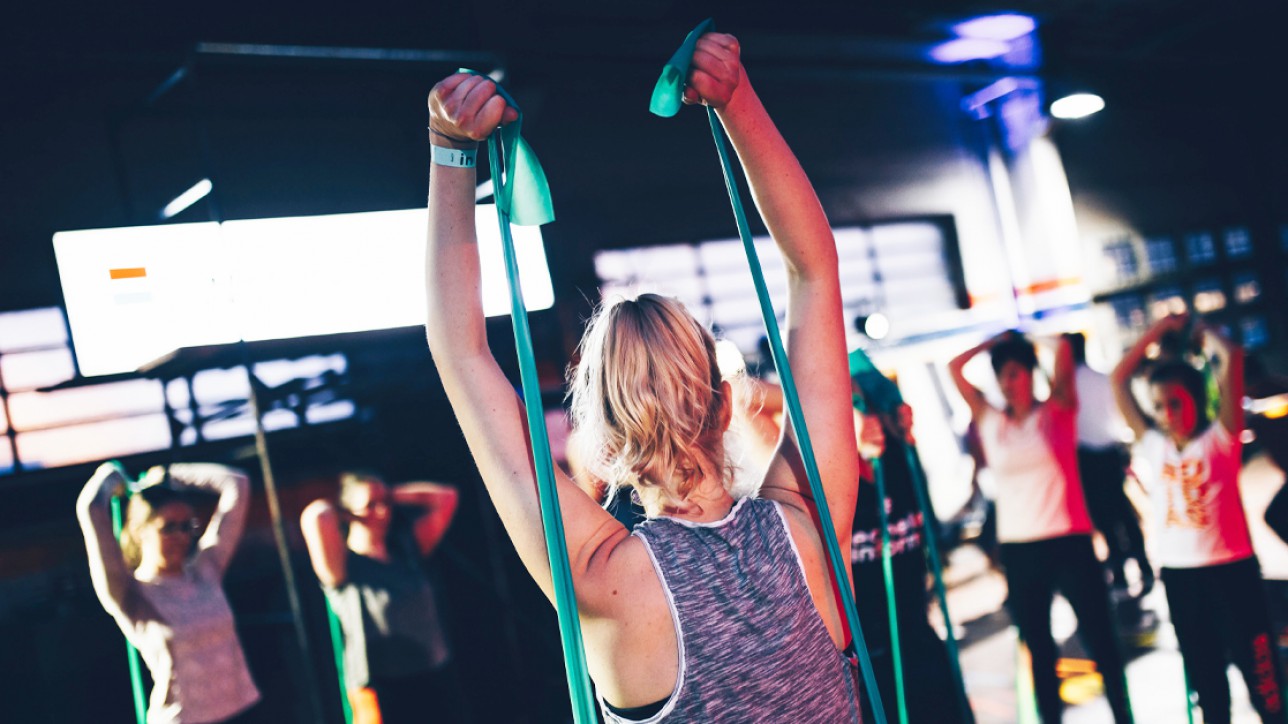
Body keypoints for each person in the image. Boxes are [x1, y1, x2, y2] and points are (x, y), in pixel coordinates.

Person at [424, 32, 863, 723]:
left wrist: (450, 154)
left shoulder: (605, 577)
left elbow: (461, 354)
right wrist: (736, 100)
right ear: (727, 404)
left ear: (601, 442)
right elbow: (815, 269)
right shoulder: (811, 518)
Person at [948, 331, 1132, 723]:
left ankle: (1123, 715)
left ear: (1032, 374)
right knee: (1039, 650)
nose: (1008, 382)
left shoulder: (1057, 413)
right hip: (1021, 550)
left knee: (1101, 641)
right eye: (1003, 376)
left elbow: (1065, 348)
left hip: (1070, 543)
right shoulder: (991, 422)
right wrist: (996, 340)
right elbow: (955, 368)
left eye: (1016, 373)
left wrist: (1026, 336)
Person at [1112, 314, 1284, 724]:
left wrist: (1201, 329)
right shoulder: (1154, 446)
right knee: (1208, 689)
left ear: (1196, 400)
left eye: (1176, 403)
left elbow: (1234, 359)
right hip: (1182, 579)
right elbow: (1119, 379)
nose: (1167, 413)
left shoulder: (1220, 439)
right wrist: (1155, 332)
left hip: (1233, 574)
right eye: (1159, 406)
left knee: (1264, 681)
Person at [76, 461, 261, 724]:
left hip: (243, 711)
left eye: (187, 527)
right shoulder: (130, 592)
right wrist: (110, 477)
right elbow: (90, 508)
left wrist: (168, 474)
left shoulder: (205, 570)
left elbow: (238, 483)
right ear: (141, 532)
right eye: (169, 527)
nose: (181, 537)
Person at [300, 471, 460, 724]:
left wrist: (390, 493)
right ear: (348, 512)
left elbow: (447, 497)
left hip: (431, 676)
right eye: (371, 505)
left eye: (385, 503)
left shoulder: (407, 549)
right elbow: (316, 515)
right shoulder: (343, 566)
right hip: (380, 687)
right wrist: (347, 506)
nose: (382, 511)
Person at [851, 401, 975, 724]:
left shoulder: (899, 460)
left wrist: (897, 420)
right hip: (869, 658)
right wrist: (844, 418)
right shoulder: (825, 477)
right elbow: (749, 399)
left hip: (920, 637)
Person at [1064, 332, 1152, 597]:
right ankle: (1143, 566)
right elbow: (1116, 417)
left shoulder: (1067, 386)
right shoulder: (1101, 379)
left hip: (1086, 458)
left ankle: (1121, 574)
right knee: (1123, 510)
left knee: (1103, 516)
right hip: (1110, 451)